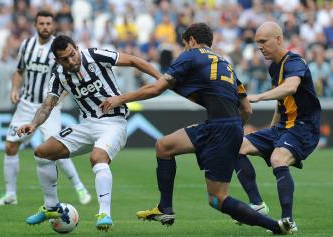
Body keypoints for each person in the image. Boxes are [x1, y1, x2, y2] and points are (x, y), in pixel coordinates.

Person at [100, 22, 294, 235]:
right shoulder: (224, 62)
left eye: (184, 44)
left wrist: (121, 98)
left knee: (217, 199)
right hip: (222, 127)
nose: (184, 49)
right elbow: (247, 108)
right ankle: (165, 208)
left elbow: (157, 88)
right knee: (164, 146)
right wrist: (234, 130)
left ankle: (276, 227)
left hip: (219, 129)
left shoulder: (190, 55)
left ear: (191, 40)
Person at [17, 35, 162, 231]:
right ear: (57, 60)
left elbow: (134, 60)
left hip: (113, 123)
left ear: (77, 48)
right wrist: (34, 124)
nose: (71, 61)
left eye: (72, 55)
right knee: (42, 152)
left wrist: (160, 79)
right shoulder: (59, 74)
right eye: (64, 59)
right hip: (86, 125)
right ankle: (51, 206)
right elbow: (47, 104)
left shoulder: (95, 55)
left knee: (97, 157)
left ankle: (104, 213)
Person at [0, 11, 91, 207]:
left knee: (54, 148)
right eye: (41, 23)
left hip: (49, 107)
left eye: (48, 23)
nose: (45, 26)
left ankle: (79, 187)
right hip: (26, 105)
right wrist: (14, 89)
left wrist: (59, 99)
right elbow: (19, 71)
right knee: (10, 146)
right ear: (35, 25)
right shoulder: (27, 45)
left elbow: (68, 77)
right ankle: (10, 195)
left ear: (53, 26)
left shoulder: (59, 49)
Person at [234, 21, 321, 233]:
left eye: (263, 41)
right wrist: (273, 131)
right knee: (235, 146)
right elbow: (282, 102)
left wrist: (257, 97)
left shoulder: (294, 61)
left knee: (277, 159)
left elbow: (291, 87)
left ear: (279, 39)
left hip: (303, 128)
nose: (260, 47)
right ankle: (257, 205)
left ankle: (287, 221)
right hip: (283, 127)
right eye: (257, 43)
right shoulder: (275, 66)